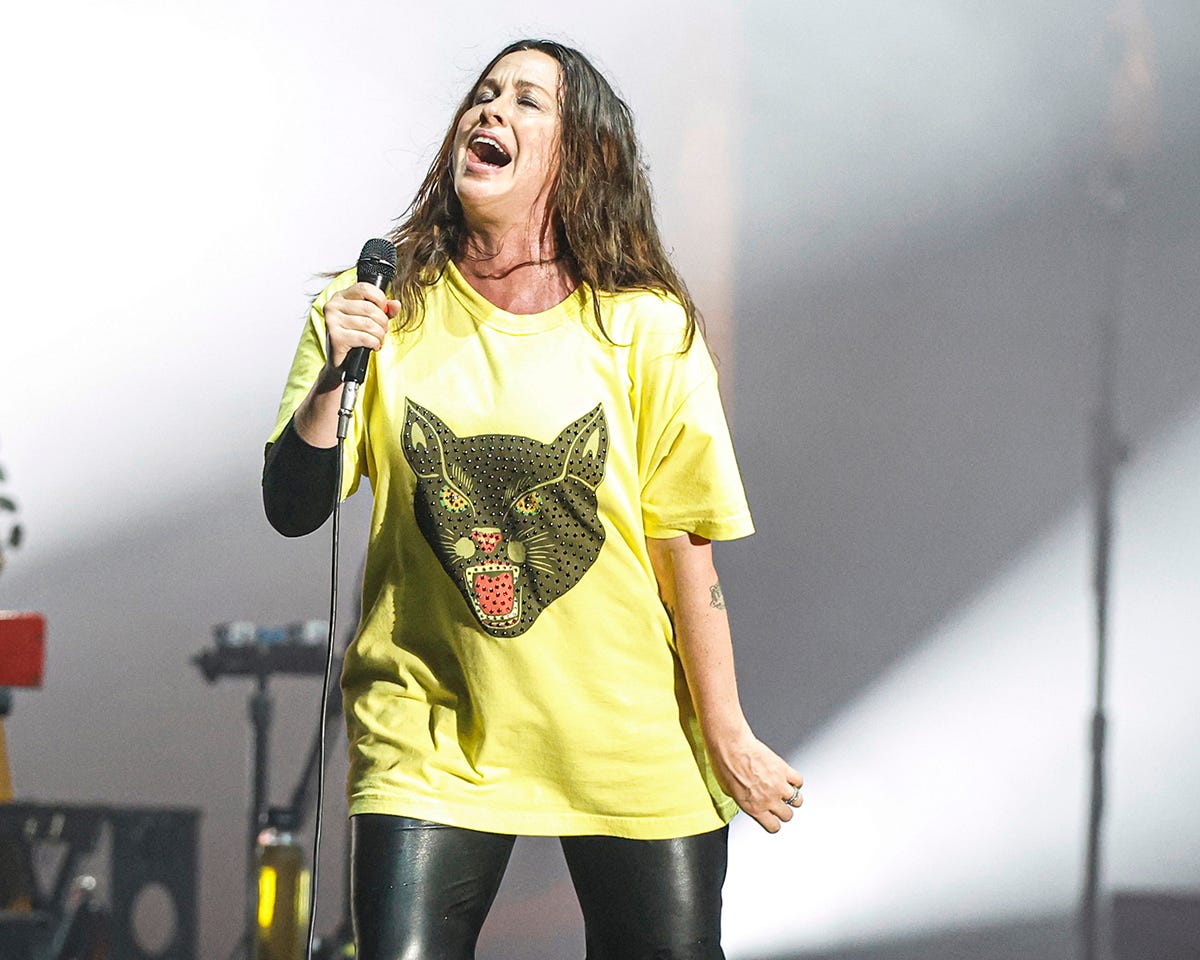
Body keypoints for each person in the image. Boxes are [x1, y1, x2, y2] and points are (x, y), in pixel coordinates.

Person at [262, 38, 802, 960]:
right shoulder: (381, 308)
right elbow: (293, 505)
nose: (491, 110)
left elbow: (685, 552)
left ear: (579, 154)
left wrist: (728, 731)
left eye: (526, 101)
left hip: (626, 731)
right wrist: (331, 380)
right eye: (484, 93)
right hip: (431, 731)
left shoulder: (644, 327)